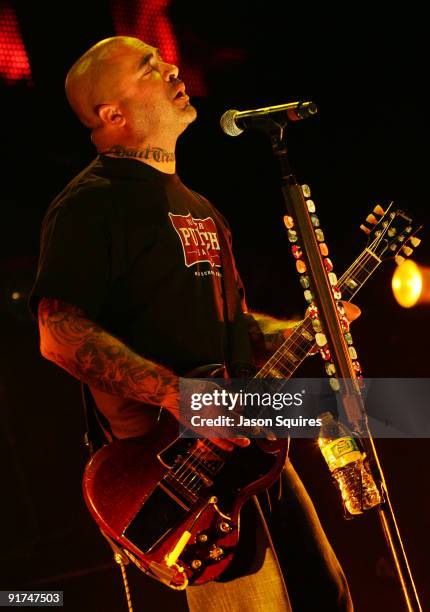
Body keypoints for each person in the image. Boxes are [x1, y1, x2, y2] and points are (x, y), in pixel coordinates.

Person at [29, 36, 356, 611]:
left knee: (324, 597)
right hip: (177, 471)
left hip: (251, 437)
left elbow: (233, 328)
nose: (172, 66)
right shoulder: (89, 204)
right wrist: (178, 396)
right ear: (113, 113)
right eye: (148, 66)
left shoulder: (200, 207)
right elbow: (58, 332)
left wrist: (303, 329)